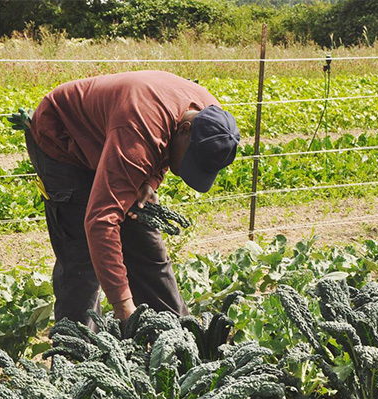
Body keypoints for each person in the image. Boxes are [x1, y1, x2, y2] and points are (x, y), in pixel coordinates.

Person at [14, 70, 240, 328]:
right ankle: (77, 354)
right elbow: (100, 221)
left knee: (145, 242)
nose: (183, 170)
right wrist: (123, 305)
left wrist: (150, 181)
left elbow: (166, 144)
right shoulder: (140, 132)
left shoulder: (212, 119)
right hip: (64, 141)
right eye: (189, 162)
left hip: (117, 136)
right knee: (81, 258)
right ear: (186, 130)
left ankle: (178, 337)